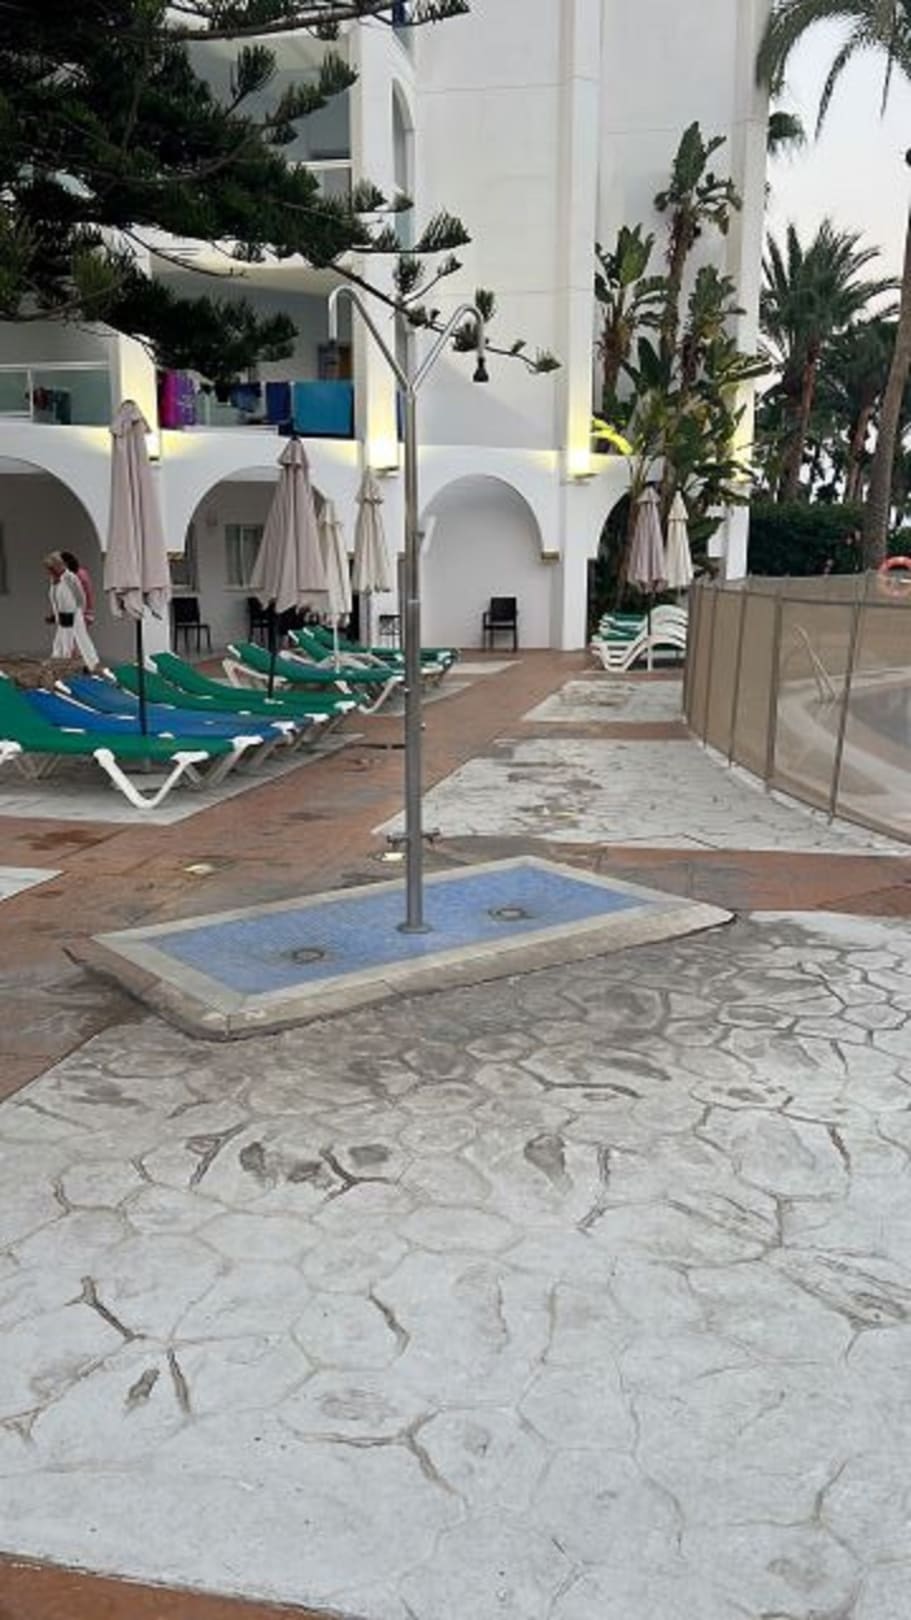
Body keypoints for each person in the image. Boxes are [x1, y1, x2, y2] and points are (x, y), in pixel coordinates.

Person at [44, 552, 99, 669]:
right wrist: (55, 614)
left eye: (51, 568)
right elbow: (55, 598)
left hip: (74, 612)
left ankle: (91, 662)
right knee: (62, 637)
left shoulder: (70, 577)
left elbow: (81, 595)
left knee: (80, 637)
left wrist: (82, 611)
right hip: (62, 613)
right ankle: (60, 658)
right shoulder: (54, 580)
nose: (49, 571)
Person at [60, 549, 95, 623]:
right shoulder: (72, 575)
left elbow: (87, 593)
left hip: (79, 613)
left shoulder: (78, 575)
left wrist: (89, 612)